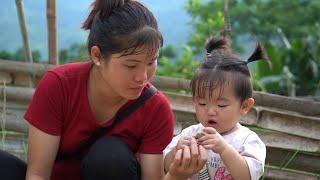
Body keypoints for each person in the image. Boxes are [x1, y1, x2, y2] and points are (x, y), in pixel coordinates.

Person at [0, 0, 205, 179]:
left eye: (151, 62)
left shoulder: (155, 108)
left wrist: (177, 175)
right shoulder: (59, 85)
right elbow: (37, 174)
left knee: (109, 156)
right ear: (97, 56)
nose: (142, 77)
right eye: (131, 65)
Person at [164, 37, 268, 180]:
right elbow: (165, 166)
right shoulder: (189, 134)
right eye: (202, 103)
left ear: (244, 106)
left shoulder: (248, 141)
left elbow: (247, 176)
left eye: (221, 105)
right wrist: (177, 151)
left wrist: (223, 149)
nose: (210, 111)